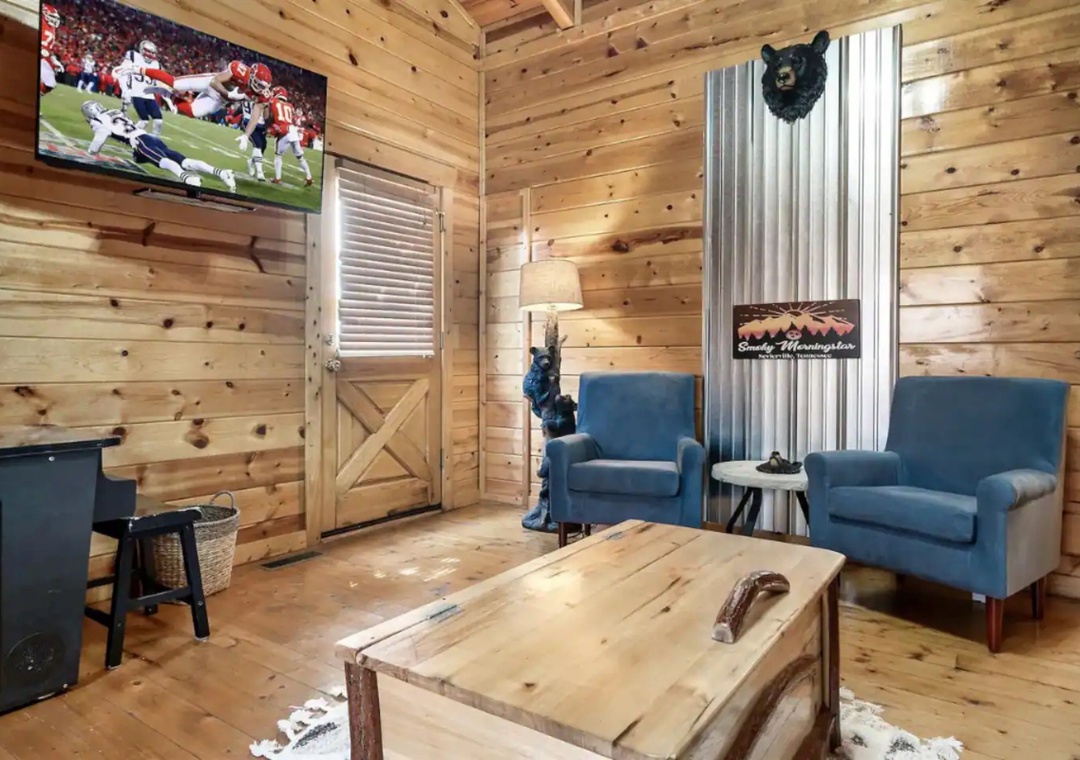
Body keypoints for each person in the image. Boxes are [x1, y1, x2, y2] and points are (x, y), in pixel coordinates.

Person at [81, 100, 236, 193]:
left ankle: (187, 178)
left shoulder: (97, 120)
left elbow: (100, 137)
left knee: (162, 162)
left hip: (140, 141)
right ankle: (221, 173)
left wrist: (91, 152)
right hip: (150, 138)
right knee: (184, 161)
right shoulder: (115, 111)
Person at [116, 58, 272, 122]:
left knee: (193, 112)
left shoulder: (259, 93)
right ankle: (136, 68)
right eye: (258, 84)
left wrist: (266, 108)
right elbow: (215, 81)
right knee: (175, 83)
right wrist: (228, 94)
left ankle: (167, 95)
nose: (259, 88)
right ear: (251, 75)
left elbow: (264, 115)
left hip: (219, 100)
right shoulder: (240, 71)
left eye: (262, 86)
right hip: (211, 84)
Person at [259, 86, 313, 186]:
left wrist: (270, 126)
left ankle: (277, 178)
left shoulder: (273, 101)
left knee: (278, 155)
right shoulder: (290, 106)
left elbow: (270, 116)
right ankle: (309, 177)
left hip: (283, 130)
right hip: (292, 130)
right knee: (300, 157)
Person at [118, 40, 165, 136]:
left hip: (149, 95)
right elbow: (122, 72)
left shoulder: (156, 64)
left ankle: (155, 139)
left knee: (158, 120)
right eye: (149, 52)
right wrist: (125, 90)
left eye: (152, 53)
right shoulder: (133, 56)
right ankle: (129, 136)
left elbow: (160, 80)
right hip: (136, 93)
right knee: (144, 121)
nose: (151, 55)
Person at [39, 4, 64, 96]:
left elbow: (50, 48)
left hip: (42, 58)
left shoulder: (52, 28)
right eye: (52, 17)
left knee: (50, 84)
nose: (55, 20)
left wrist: (54, 60)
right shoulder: (41, 22)